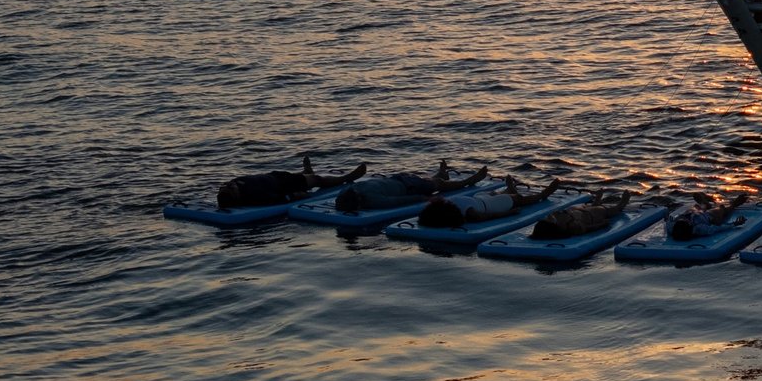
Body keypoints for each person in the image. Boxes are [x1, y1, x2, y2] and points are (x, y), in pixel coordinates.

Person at [416, 175, 572, 229]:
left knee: (494, 193)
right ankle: (543, 194)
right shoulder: (469, 213)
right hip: (492, 205)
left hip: (480, 198)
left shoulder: (448, 204)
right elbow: (487, 217)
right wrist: (509, 213)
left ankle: (510, 188)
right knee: (520, 200)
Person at [331, 161, 487, 214]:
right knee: (438, 185)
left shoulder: (346, 193)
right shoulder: (373, 201)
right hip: (408, 186)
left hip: (400, 180)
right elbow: (399, 201)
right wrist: (423, 198)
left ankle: (442, 174)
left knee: (432, 183)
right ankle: (469, 181)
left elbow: (395, 201)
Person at [217, 155, 366, 211]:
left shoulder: (233, 187)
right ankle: (347, 177)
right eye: (231, 187)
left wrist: (229, 186)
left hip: (274, 176)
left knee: (300, 176)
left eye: (227, 185)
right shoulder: (254, 196)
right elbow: (276, 198)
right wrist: (296, 196)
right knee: (316, 180)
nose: (231, 184)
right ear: (235, 196)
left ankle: (306, 172)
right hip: (283, 185)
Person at [529, 189, 632, 240]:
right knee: (607, 210)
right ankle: (622, 204)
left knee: (579, 207)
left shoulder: (555, 217)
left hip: (574, 211)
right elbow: (588, 228)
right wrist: (601, 224)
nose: (549, 216)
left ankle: (595, 202)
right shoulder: (571, 227)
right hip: (590, 216)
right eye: (549, 219)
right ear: (553, 226)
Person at [666, 193, 749, 241]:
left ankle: (704, 204)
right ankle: (734, 204)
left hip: (694, 213)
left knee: (695, 209)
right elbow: (718, 228)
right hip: (709, 218)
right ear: (691, 225)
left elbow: (668, 219)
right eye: (686, 220)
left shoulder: (671, 226)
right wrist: (734, 224)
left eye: (681, 219)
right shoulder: (701, 229)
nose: (683, 218)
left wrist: (667, 214)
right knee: (720, 209)